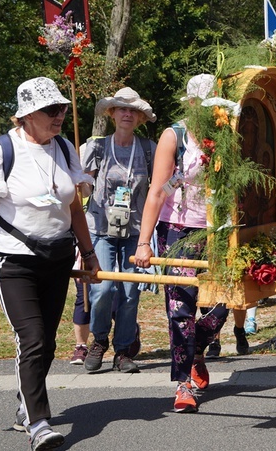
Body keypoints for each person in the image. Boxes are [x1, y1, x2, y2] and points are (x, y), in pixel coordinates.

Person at [0, 77, 100, 450]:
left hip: (57, 258)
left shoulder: (63, 148)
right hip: (13, 260)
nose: (59, 115)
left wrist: (88, 253)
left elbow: (73, 207)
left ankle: (24, 407)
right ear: (27, 115)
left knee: (45, 343)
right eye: (50, 110)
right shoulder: (2, 151)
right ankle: (38, 423)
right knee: (31, 338)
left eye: (61, 108)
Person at [133, 74, 231, 413]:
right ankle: (183, 383)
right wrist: (144, 242)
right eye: (203, 106)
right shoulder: (174, 136)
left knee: (222, 306)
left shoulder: (225, 136)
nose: (209, 112)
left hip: (219, 232)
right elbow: (157, 191)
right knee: (180, 310)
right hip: (178, 231)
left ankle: (196, 349)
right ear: (191, 104)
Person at [82, 87, 157, 373]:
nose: (127, 114)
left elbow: (157, 187)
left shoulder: (148, 149)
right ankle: (99, 340)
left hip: (135, 232)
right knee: (102, 290)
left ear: (139, 117)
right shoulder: (97, 146)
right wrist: (81, 183)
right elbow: (85, 184)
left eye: (132, 110)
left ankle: (123, 350)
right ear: (112, 113)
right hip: (101, 228)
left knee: (129, 293)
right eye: (121, 109)